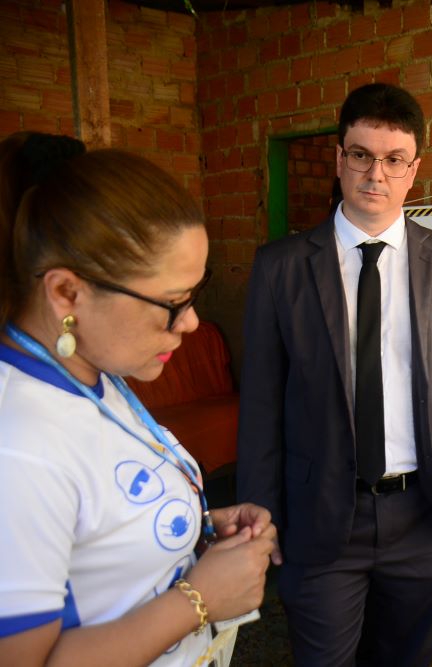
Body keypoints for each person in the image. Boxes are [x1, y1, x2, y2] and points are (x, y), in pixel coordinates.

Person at [237, 82, 432, 666]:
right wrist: (259, 514)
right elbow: (259, 404)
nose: (375, 174)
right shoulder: (281, 268)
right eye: (360, 155)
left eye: (392, 160)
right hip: (322, 519)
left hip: (426, 515)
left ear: (414, 169)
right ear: (338, 159)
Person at [0, 132, 278, 666]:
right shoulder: (19, 442)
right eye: (173, 303)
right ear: (66, 293)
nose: (192, 322)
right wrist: (197, 601)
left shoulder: (92, 372)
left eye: (196, 294)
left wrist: (190, 527)